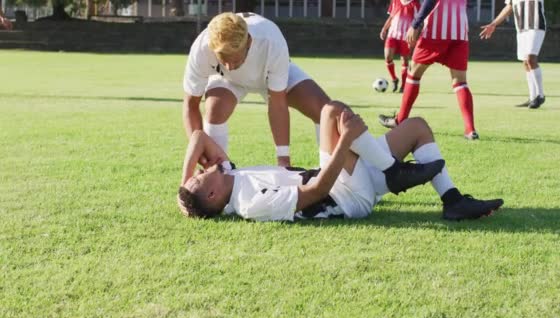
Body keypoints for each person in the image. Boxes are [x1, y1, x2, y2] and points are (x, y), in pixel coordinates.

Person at [177, 100, 504, 222]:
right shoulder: (250, 203)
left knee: (416, 127)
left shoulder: (231, 177)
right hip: (346, 197)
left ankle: (452, 201)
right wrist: (346, 141)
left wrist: (183, 187)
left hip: (351, 177)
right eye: (198, 179)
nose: (201, 170)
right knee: (332, 113)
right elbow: (317, 191)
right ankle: (394, 172)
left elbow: (198, 139)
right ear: (211, 196)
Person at [182, 12, 330, 169]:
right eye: (223, 60)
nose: (230, 67)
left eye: (235, 60)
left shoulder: (272, 41)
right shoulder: (201, 49)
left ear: (249, 43)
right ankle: (219, 171)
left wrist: (283, 160)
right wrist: (200, 150)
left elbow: (277, 103)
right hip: (229, 81)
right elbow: (191, 105)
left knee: (324, 109)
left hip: (268, 74)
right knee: (214, 109)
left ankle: (331, 173)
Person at [378, 0, 479, 140]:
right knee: (460, 82)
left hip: (435, 31)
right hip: (459, 31)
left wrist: (415, 24)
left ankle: (400, 120)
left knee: (413, 74)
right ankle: (470, 130)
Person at [480, 0, 547, 109]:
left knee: (531, 58)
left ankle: (540, 95)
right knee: (526, 62)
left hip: (536, 25)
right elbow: (509, 6)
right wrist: (493, 24)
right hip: (521, 28)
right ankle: (532, 97)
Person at [379, 0, 420, 93]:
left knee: (405, 61)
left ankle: (403, 86)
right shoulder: (395, 1)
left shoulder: (415, 3)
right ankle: (394, 79)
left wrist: (416, 36)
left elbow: (419, 20)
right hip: (392, 34)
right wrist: (384, 29)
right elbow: (391, 16)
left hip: (406, 36)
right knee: (388, 57)